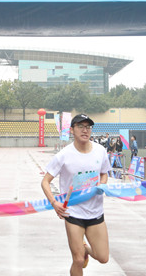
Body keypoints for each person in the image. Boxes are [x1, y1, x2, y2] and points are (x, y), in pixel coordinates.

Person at [41, 114, 111, 275]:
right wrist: (54, 203)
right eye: (80, 126)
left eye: (88, 127)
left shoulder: (100, 151)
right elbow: (45, 182)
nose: (85, 130)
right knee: (78, 260)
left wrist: (103, 184)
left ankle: (85, 248)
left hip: (95, 212)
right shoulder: (63, 155)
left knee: (103, 257)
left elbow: (104, 173)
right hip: (73, 213)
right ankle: (81, 253)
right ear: (72, 130)